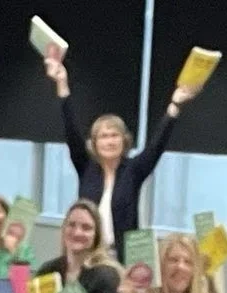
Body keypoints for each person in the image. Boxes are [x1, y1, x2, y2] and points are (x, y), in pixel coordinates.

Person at [44, 44, 203, 249]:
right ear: (94, 143)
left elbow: (156, 146)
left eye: (114, 135)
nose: (109, 141)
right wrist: (62, 85)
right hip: (87, 252)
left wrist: (175, 106)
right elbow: (71, 131)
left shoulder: (134, 170)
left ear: (124, 140)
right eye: (103, 136)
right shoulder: (85, 167)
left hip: (123, 257)